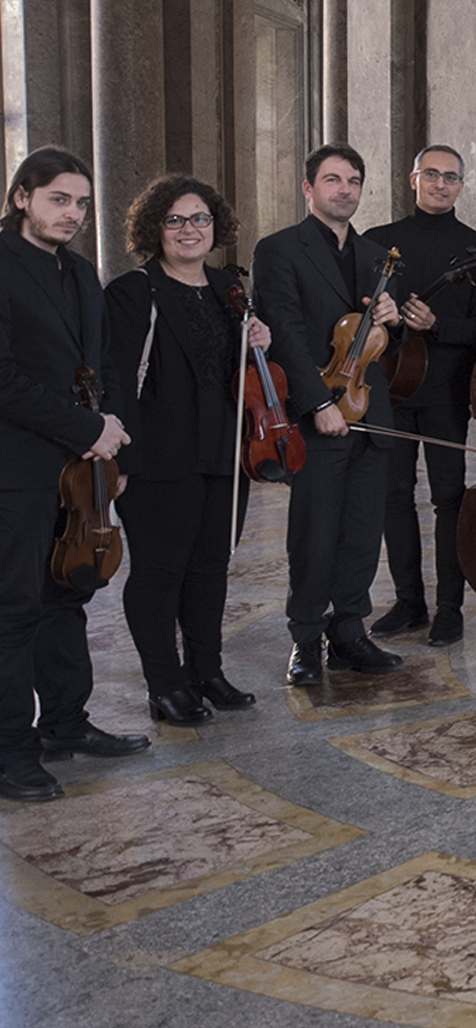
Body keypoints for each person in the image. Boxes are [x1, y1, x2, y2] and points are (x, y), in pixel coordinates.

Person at [0, 148, 143, 803]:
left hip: (79, 464)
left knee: (69, 592)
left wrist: (106, 437)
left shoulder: (83, 272)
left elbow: (100, 363)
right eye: (60, 198)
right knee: (15, 607)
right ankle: (11, 750)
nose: (73, 213)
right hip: (18, 468)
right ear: (22, 196)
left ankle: (65, 722)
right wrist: (86, 430)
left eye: (82, 202)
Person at [105, 175, 270, 725]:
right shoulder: (133, 292)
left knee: (211, 569)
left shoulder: (229, 290)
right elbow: (117, 383)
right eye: (175, 219)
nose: (189, 229)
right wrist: (122, 461)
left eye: (199, 218)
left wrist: (258, 343)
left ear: (215, 226)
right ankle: (165, 684)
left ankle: (207, 671)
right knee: (159, 572)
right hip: (157, 457)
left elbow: (237, 378)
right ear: (155, 228)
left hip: (223, 454)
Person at [251, 144, 404, 685]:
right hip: (315, 415)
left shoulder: (375, 256)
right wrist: (318, 403)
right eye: (333, 180)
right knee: (315, 532)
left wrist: (392, 316)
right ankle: (305, 640)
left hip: (368, 410)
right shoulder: (278, 250)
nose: (345, 190)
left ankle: (349, 633)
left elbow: (383, 344)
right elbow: (285, 332)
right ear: (308, 188)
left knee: (362, 531)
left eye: (354, 181)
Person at [366, 145, 476, 648]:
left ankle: (449, 607)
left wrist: (437, 324)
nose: (441, 184)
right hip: (389, 390)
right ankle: (408, 601)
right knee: (393, 496)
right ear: (413, 178)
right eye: (431, 174)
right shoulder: (379, 242)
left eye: (451, 177)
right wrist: (388, 315)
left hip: (445, 392)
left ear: (462, 186)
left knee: (448, 500)